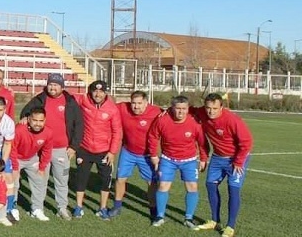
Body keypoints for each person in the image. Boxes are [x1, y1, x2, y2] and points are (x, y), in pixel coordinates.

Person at [19, 73, 84, 220]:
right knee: (40, 180)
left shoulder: (70, 102)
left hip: (62, 149)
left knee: (61, 181)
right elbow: (25, 112)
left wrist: (74, 146)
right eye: (50, 84)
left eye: (56, 85)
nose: (52, 87)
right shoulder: (40, 99)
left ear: (62, 87)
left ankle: (62, 208)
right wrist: (24, 118)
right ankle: (37, 208)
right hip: (41, 149)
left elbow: (79, 125)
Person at [193, 93, 254, 237]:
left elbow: (246, 142)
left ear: (222, 107)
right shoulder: (201, 112)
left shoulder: (232, 120)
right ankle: (215, 221)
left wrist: (238, 161)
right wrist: (166, 111)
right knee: (210, 185)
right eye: (208, 108)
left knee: (233, 190)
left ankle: (230, 227)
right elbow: (187, 109)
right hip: (217, 158)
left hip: (236, 159)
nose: (211, 111)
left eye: (215, 108)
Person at [147, 95, 209, 229]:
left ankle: (189, 218)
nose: (181, 112)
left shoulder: (194, 122)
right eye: (178, 108)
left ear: (188, 109)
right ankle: (160, 216)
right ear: (172, 108)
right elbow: (153, 137)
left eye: (184, 109)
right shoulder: (163, 120)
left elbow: (203, 142)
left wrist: (203, 159)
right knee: (163, 186)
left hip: (189, 160)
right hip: (168, 159)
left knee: (192, 187)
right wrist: (153, 155)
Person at [72, 80, 122, 219]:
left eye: (101, 91)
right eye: (95, 91)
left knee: (105, 180)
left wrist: (112, 152)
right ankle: (78, 207)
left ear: (105, 92)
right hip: (84, 148)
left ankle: (102, 208)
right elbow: (64, 97)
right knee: (81, 178)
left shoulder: (112, 109)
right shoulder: (83, 100)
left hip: (104, 151)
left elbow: (117, 132)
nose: (98, 94)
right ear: (90, 91)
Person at [110, 91, 162, 219]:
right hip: (128, 152)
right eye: (133, 103)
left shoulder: (157, 112)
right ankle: (117, 207)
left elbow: (175, 113)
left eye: (139, 103)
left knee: (151, 183)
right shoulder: (123, 108)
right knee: (120, 179)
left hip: (147, 155)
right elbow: (108, 103)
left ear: (146, 103)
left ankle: (154, 210)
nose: (136, 106)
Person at [10, 108, 53, 221]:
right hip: (16, 158)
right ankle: (12, 207)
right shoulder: (19, 129)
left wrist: (42, 167)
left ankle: (37, 209)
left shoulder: (48, 132)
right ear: (29, 119)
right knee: (14, 183)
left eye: (41, 121)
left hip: (32, 158)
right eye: (35, 120)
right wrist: (15, 168)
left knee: (39, 181)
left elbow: (47, 151)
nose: (38, 124)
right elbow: (12, 149)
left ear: (45, 120)